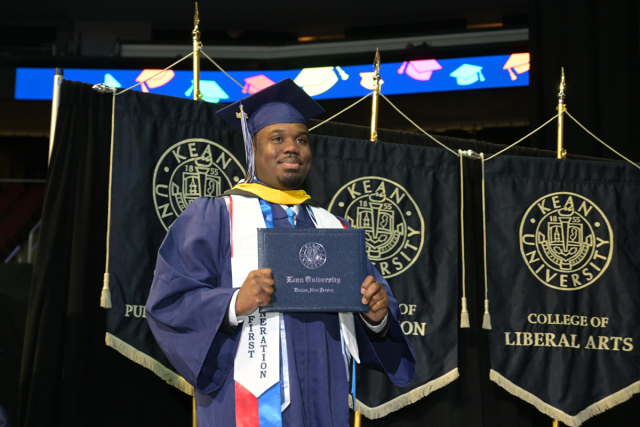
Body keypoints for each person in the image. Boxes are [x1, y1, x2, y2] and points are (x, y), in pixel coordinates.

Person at [146, 79, 415, 427]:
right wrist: (233, 303)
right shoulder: (214, 217)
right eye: (277, 138)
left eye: (301, 139)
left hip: (326, 403)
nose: (292, 147)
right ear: (252, 149)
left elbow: (376, 311)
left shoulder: (336, 228)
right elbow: (169, 302)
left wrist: (376, 315)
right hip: (245, 404)